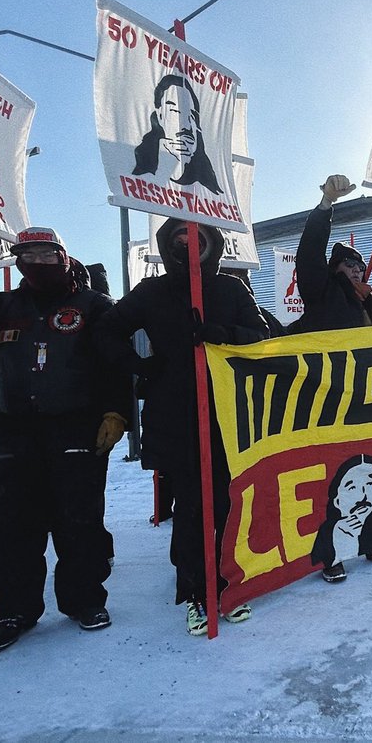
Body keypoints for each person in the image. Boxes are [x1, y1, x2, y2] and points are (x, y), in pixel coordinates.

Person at [0, 227, 130, 655]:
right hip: (14, 429)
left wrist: (117, 410)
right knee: (14, 524)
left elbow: (116, 364)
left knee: (79, 520)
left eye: (47, 254)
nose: (38, 261)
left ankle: (85, 600)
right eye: (28, 254)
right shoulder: (1, 306)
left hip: (77, 426)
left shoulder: (93, 306)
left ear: (64, 257)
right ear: (17, 260)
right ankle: (14, 610)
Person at [95, 220, 268, 635]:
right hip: (175, 415)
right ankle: (195, 589)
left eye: (197, 239)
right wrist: (141, 367)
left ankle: (227, 580)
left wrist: (222, 334)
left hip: (229, 413)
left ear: (214, 244)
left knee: (228, 501)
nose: (189, 246)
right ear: (166, 246)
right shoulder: (153, 291)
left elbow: (260, 335)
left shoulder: (230, 288)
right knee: (190, 507)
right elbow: (106, 331)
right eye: (179, 240)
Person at [292, 174, 372, 581]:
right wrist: (326, 203)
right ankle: (332, 554)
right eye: (348, 264)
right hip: (327, 400)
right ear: (334, 269)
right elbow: (309, 253)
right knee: (333, 475)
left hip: (370, 401)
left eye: (360, 265)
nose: (357, 270)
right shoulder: (322, 291)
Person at [131, 74, 223, 194]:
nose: (186, 126)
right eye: (175, 111)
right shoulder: (142, 166)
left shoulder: (206, 180)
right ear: (160, 116)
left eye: (191, 116)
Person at [309, 455, 372, 571]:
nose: (362, 496)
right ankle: (331, 560)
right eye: (352, 488)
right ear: (337, 500)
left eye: (369, 485)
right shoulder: (328, 532)